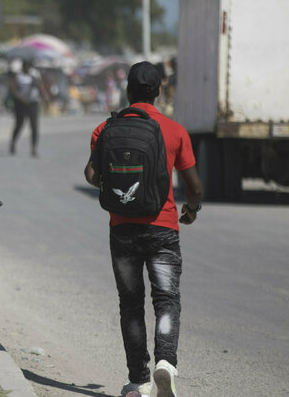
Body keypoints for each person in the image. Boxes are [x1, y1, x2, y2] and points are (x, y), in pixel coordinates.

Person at [84, 61, 204, 397]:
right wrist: (191, 210)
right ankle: (165, 362)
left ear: (128, 91)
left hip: (122, 230)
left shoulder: (105, 129)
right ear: (159, 91)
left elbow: (91, 176)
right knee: (166, 300)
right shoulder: (175, 130)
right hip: (164, 229)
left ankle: (138, 380)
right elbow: (194, 186)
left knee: (131, 304)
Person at [8, 59, 47, 157]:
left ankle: (34, 148)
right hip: (20, 104)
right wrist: (21, 99)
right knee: (19, 124)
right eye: (25, 66)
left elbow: (40, 88)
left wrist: (44, 98)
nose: (27, 68)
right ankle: (13, 143)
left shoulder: (34, 77)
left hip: (33, 103)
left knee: (34, 126)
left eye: (29, 67)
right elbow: (14, 90)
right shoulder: (18, 77)